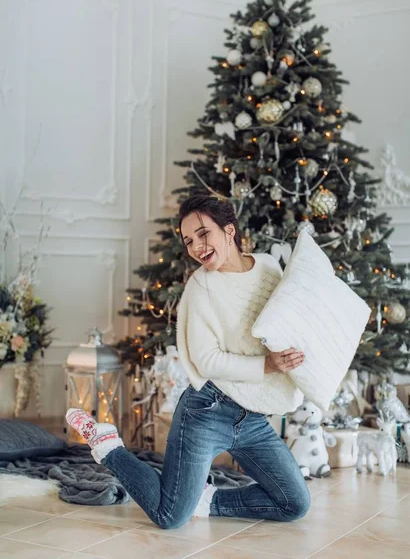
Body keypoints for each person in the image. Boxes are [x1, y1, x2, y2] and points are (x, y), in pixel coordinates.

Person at [66, 193, 311, 530]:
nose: (197, 246)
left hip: (252, 417)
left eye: (203, 233)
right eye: (189, 241)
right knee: (169, 516)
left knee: (294, 503)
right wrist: (267, 366)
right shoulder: (200, 289)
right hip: (208, 412)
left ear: (229, 229)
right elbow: (206, 360)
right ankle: (107, 445)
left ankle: (208, 500)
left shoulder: (268, 265)